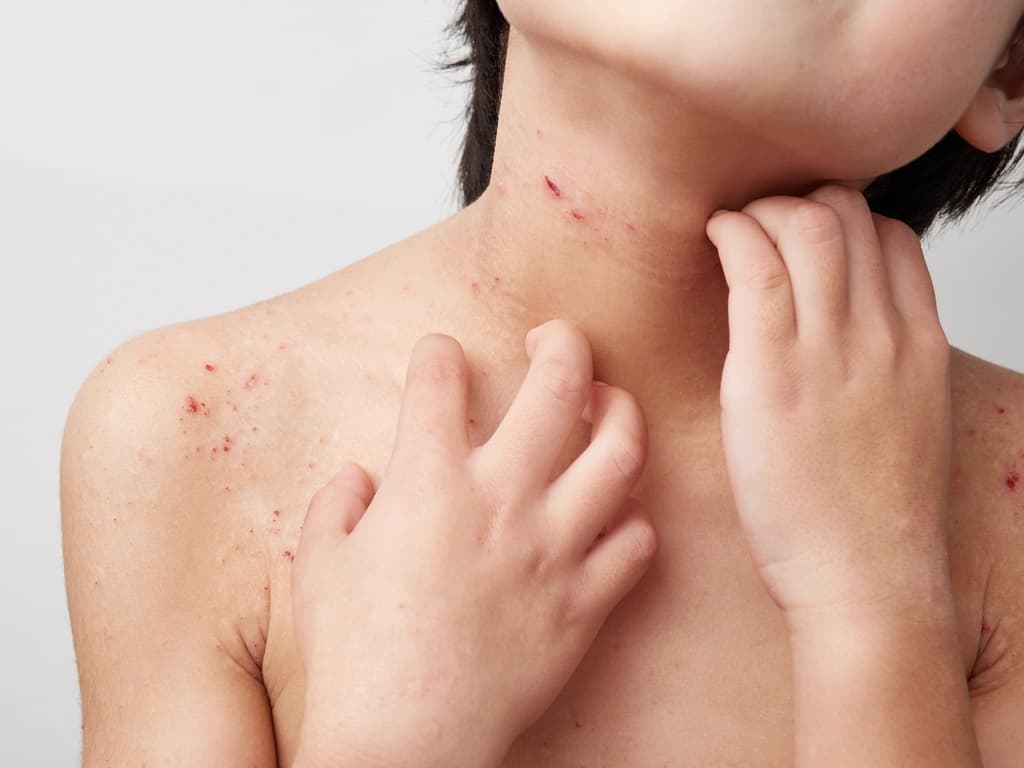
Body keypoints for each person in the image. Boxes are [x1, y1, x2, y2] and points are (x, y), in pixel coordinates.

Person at [60, 1, 1024, 765]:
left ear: (1008, 66)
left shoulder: (1003, 498)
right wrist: (394, 739)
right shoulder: (190, 427)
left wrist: (878, 604)